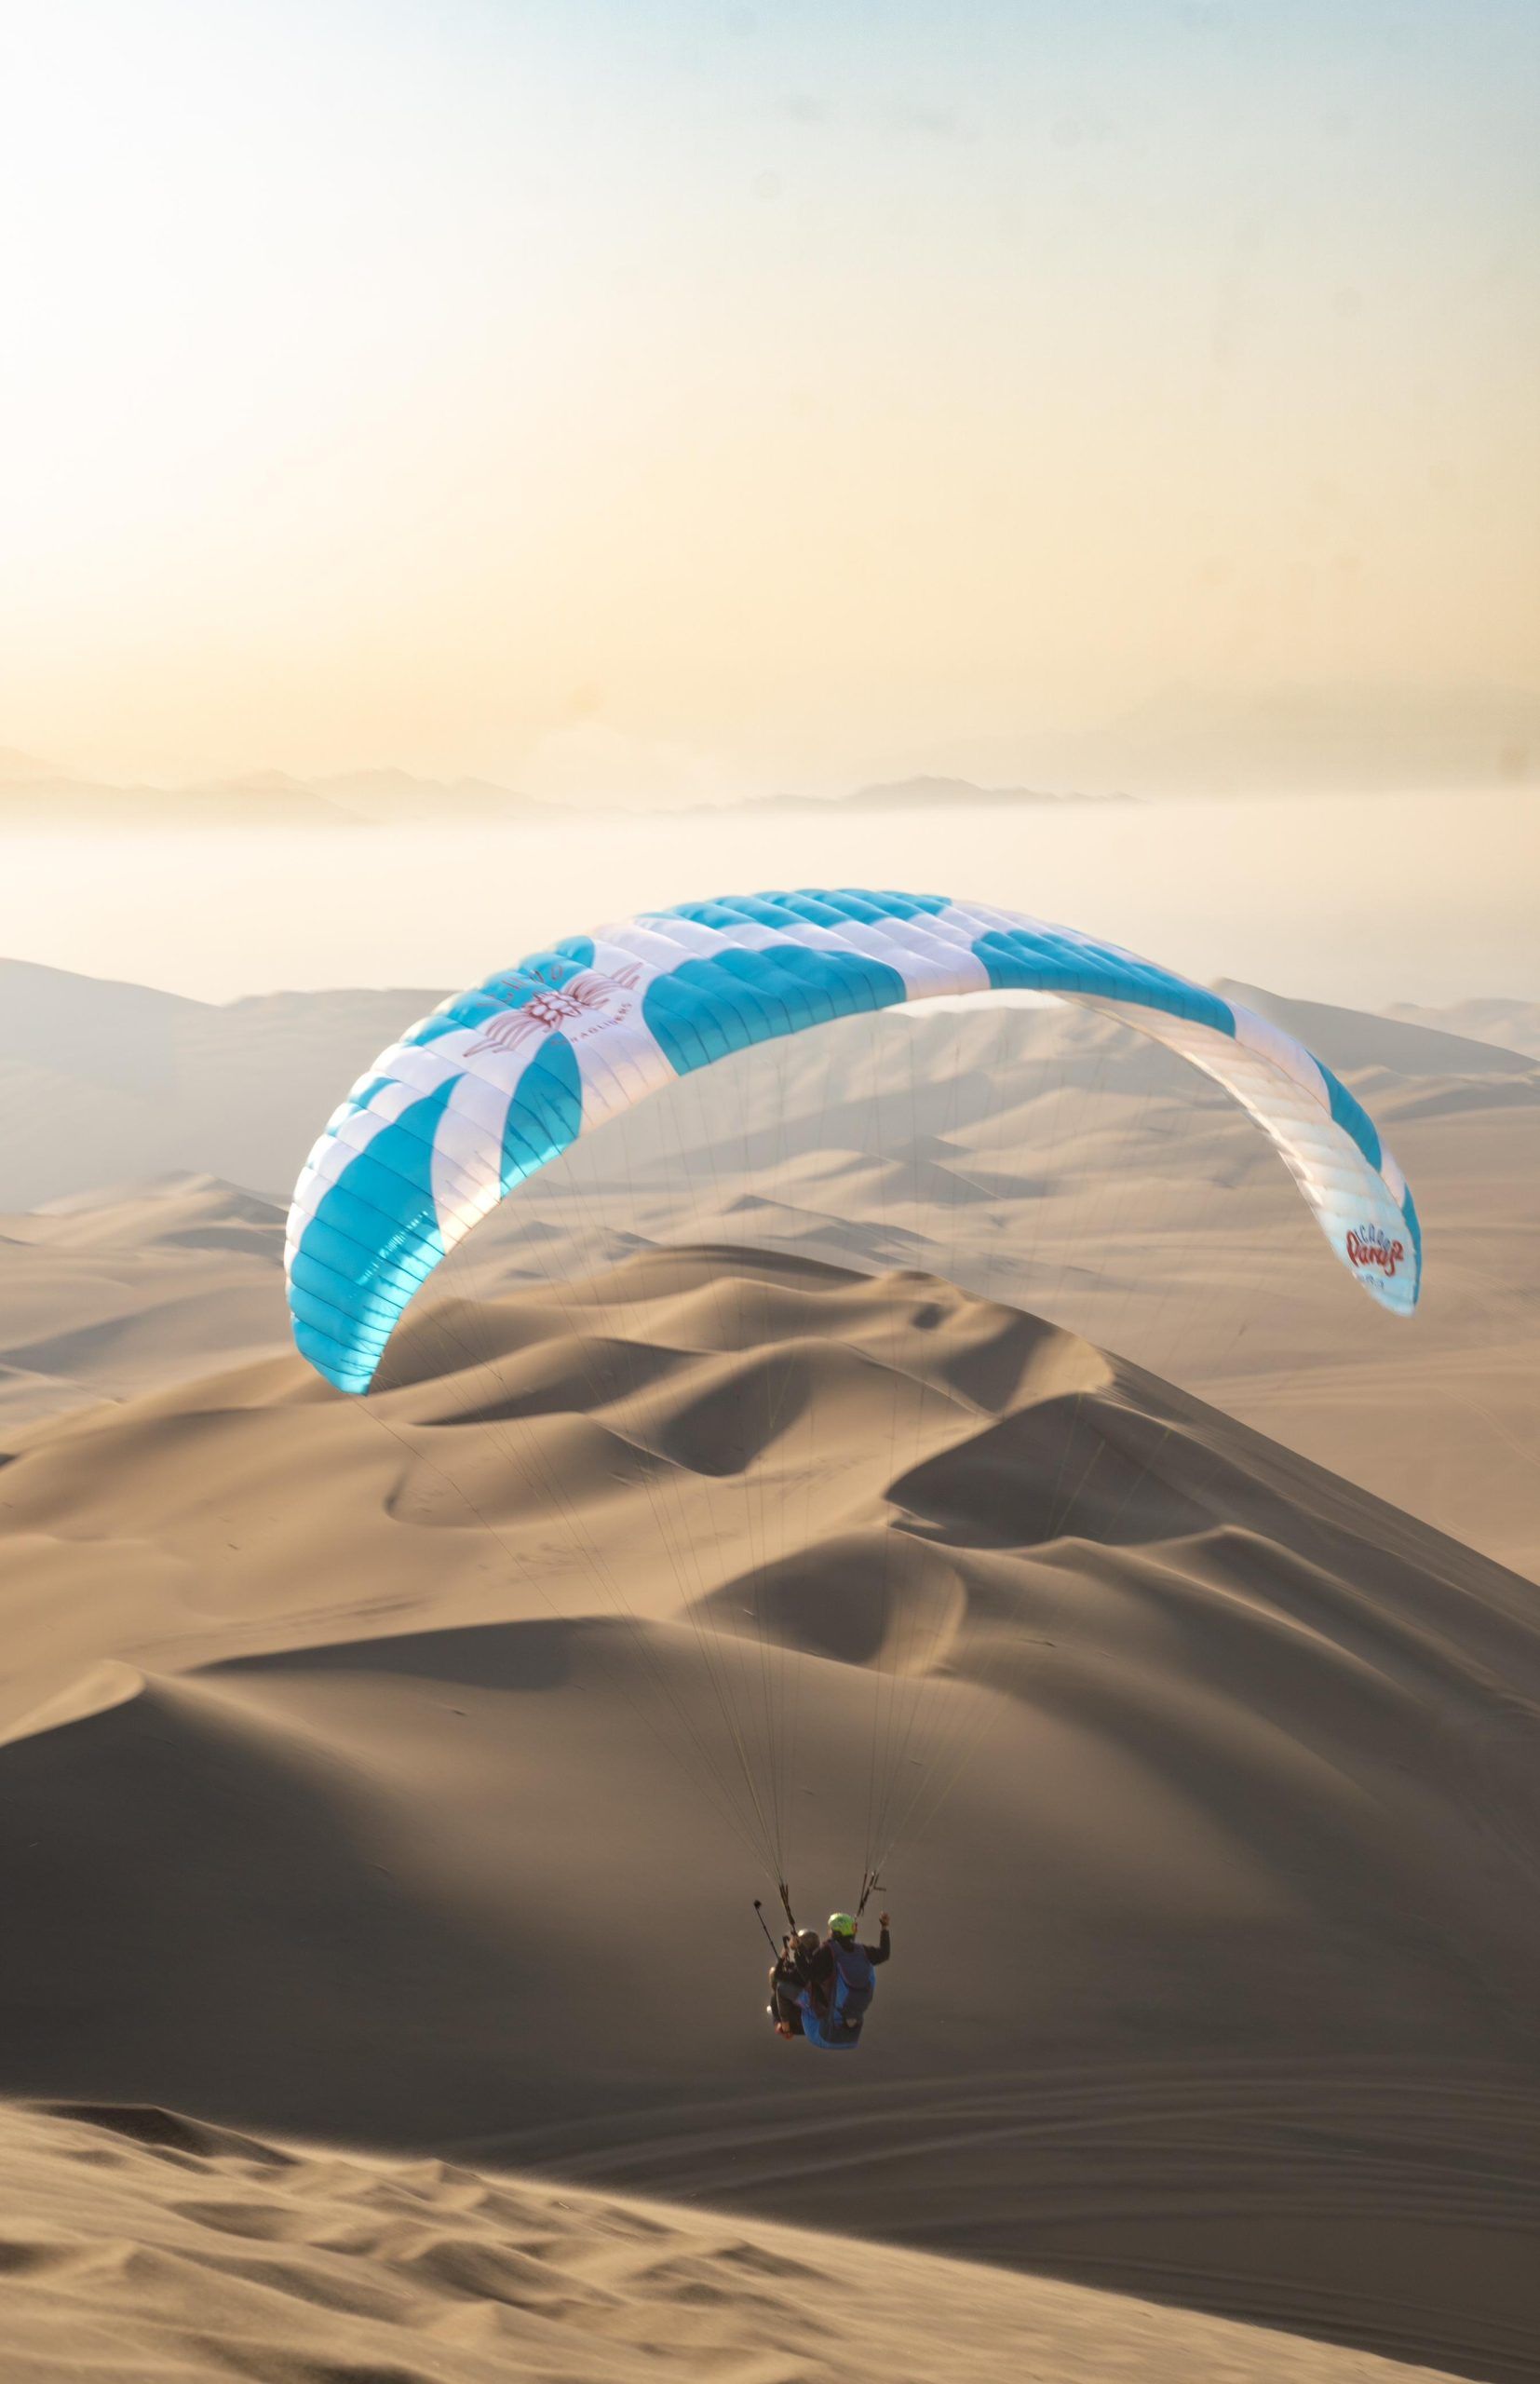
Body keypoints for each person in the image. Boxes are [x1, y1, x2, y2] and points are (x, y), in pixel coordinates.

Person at [802, 1911, 890, 2046]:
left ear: (835, 1932)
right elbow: (884, 1953)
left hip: (825, 2035)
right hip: (853, 2031)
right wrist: (884, 1928)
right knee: (868, 1965)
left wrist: (796, 1951)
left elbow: (808, 1974)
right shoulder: (863, 1950)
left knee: (799, 1988)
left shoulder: (827, 1950)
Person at [769, 1929, 820, 2038]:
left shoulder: (800, 1970)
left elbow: (778, 1975)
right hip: (821, 2009)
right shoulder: (819, 1960)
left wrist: (783, 1956)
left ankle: (784, 2026)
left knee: (778, 1988)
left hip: (803, 2024)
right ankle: (779, 2021)